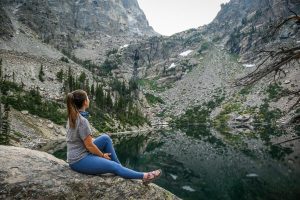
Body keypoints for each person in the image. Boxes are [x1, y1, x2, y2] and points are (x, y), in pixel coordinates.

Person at [66, 89, 161, 185]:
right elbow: (89, 146)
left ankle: (121, 169)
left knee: (105, 138)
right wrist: (102, 155)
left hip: (77, 154)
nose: (89, 99)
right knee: (113, 166)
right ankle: (145, 176)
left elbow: (82, 141)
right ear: (85, 102)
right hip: (78, 160)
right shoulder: (82, 121)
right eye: (87, 97)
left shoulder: (73, 116)